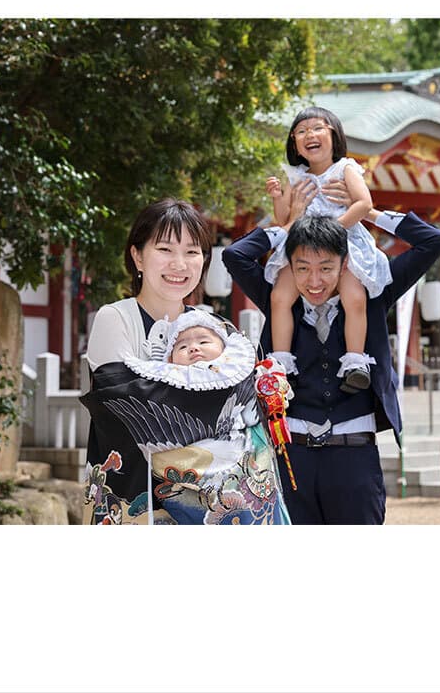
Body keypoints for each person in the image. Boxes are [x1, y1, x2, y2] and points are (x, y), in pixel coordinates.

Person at [223, 184, 440, 525]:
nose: (314, 281)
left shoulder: (374, 296)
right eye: (302, 268)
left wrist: (367, 211)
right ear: (289, 267)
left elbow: (434, 240)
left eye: (326, 268)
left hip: (355, 458)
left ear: (345, 264)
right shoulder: (276, 298)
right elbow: (234, 255)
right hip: (289, 457)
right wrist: (288, 227)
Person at [81, 198, 290, 525]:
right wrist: (217, 400)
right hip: (135, 496)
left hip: (218, 506)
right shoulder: (116, 318)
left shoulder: (218, 328)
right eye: (165, 249)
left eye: (192, 252)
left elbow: (246, 415)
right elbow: (123, 403)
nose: (179, 263)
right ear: (137, 255)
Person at [264, 106, 391, 393]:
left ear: (334, 134)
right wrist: (276, 197)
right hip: (301, 246)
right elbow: (284, 219)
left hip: (341, 244)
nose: (310, 134)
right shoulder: (294, 176)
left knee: (354, 296)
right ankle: (282, 362)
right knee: (280, 296)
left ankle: (355, 361)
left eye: (317, 128)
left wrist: (334, 232)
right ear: (294, 144)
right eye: (301, 131)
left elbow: (363, 204)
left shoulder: (345, 168)